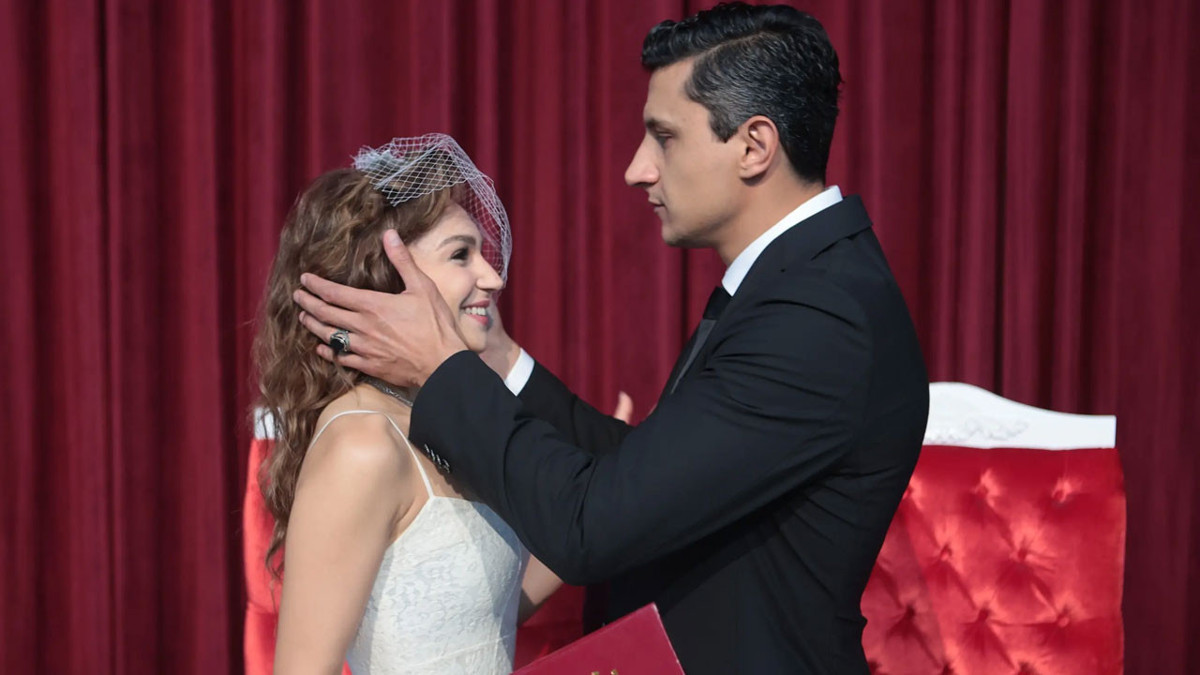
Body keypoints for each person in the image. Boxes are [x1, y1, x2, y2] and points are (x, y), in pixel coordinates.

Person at [293, 4, 929, 673]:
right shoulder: (801, 284)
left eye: (664, 137)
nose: (637, 169)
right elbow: (653, 476)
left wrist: (440, 365)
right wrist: (501, 358)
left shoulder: (817, 315)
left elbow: (592, 524)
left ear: (754, 146)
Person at [254, 133, 561, 674]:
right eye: (460, 254)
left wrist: (611, 480)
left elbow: (474, 622)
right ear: (387, 276)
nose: (492, 277)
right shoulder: (362, 442)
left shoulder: (438, 419)